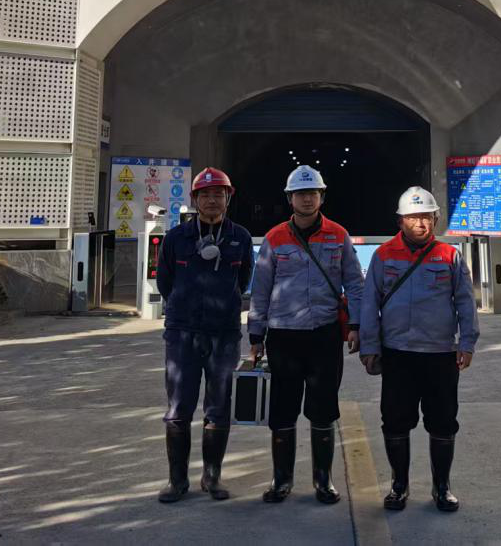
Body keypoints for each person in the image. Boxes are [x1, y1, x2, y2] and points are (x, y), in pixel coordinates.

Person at [248, 164, 364, 505]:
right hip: (283, 337)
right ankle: (281, 480)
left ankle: (323, 481)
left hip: (324, 336)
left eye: (312, 193)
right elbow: (261, 290)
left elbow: (354, 284)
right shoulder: (274, 238)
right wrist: (255, 335)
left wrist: (356, 326)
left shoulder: (338, 235)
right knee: (282, 410)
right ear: (290, 199)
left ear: (321, 196)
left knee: (323, 409)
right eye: (300, 194)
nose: (307, 199)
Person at [359, 186, 478, 513]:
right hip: (398, 354)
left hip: (440, 354)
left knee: (443, 421)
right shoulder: (383, 256)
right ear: (400, 221)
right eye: (413, 218)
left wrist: (467, 342)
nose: (421, 223)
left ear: (436, 219)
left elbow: (465, 302)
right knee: (395, 421)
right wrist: (369, 345)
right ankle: (399, 486)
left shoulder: (449, 256)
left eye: (426, 217)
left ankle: (442, 487)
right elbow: (369, 304)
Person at [155, 167, 253, 504]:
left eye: (218, 194)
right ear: (195, 199)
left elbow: (243, 281)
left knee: (219, 407)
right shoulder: (176, 238)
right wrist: (185, 307)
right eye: (205, 194)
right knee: (178, 408)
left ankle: (212, 477)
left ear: (228, 198)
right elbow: (165, 282)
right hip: (182, 333)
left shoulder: (240, 237)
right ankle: (177, 481)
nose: (212, 200)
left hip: (223, 334)